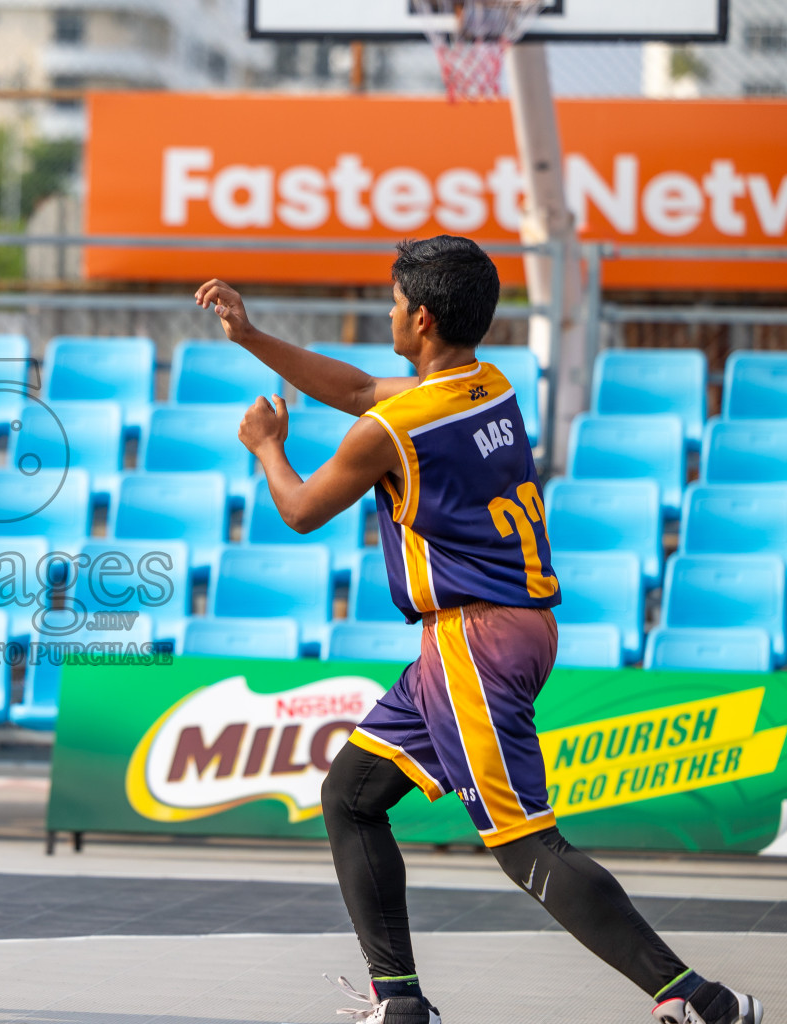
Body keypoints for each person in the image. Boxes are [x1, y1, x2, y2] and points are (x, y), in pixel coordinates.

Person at [195, 236, 763, 1024]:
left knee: (525, 842)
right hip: (498, 631)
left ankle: (698, 1000)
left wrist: (267, 447)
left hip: (474, 638)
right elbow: (361, 386)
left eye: (394, 305)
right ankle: (400, 1002)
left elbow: (298, 510)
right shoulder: (488, 385)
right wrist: (252, 336)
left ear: (421, 318)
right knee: (351, 796)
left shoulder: (390, 432)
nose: (387, 315)